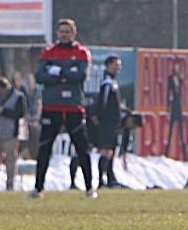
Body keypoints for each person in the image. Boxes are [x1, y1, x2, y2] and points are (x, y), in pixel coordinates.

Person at [30, 18, 96, 198]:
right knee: (44, 148)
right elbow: (40, 76)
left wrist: (58, 73)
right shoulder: (49, 52)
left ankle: (90, 188)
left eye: (68, 31)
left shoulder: (82, 53)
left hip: (74, 107)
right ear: (57, 33)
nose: (64, 34)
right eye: (62, 31)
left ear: (74, 33)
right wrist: (67, 75)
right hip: (51, 106)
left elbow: (81, 76)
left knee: (82, 148)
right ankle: (38, 188)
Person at [91, 55, 123, 189]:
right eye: (116, 64)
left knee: (112, 151)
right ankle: (101, 181)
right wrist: (98, 115)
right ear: (108, 66)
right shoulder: (107, 83)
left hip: (114, 123)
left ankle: (111, 179)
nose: (118, 67)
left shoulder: (114, 82)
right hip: (108, 122)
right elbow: (102, 101)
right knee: (106, 150)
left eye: (119, 65)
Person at [0, 77, 25, 190]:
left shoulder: (18, 97)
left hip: (11, 134)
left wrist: (3, 111)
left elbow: (20, 113)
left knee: (10, 160)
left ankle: (10, 184)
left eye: (0, 90)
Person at [165, 61, 188, 161]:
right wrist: (168, 108)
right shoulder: (170, 79)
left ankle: (184, 154)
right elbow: (168, 94)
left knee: (181, 129)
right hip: (173, 106)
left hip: (179, 106)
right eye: (176, 67)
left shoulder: (180, 79)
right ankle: (166, 152)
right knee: (171, 129)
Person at [21, 74, 42, 162]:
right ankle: (26, 155)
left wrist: (37, 118)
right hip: (28, 121)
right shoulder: (27, 94)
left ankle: (35, 157)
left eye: (31, 81)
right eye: (28, 81)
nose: (30, 83)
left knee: (36, 138)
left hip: (35, 122)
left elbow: (39, 105)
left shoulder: (38, 92)